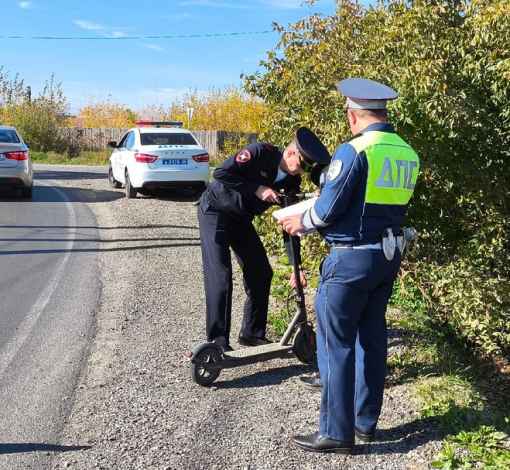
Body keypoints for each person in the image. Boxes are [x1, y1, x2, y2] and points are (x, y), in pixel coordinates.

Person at [278, 78, 420, 454]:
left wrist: (300, 222)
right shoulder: (407, 152)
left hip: (350, 259)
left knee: (335, 342)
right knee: (372, 340)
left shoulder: (356, 150)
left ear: (352, 115)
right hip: (387, 257)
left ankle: (335, 433)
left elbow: (328, 207)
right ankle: (364, 423)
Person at [197, 127, 331, 353]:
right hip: (215, 211)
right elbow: (221, 173)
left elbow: (289, 224)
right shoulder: (259, 152)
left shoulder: (291, 183)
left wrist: (295, 267)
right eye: (303, 166)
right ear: (290, 154)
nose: (301, 173)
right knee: (220, 276)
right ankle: (217, 341)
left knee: (261, 272)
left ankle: (252, 333)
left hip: (241, 220)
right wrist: (257, 188)